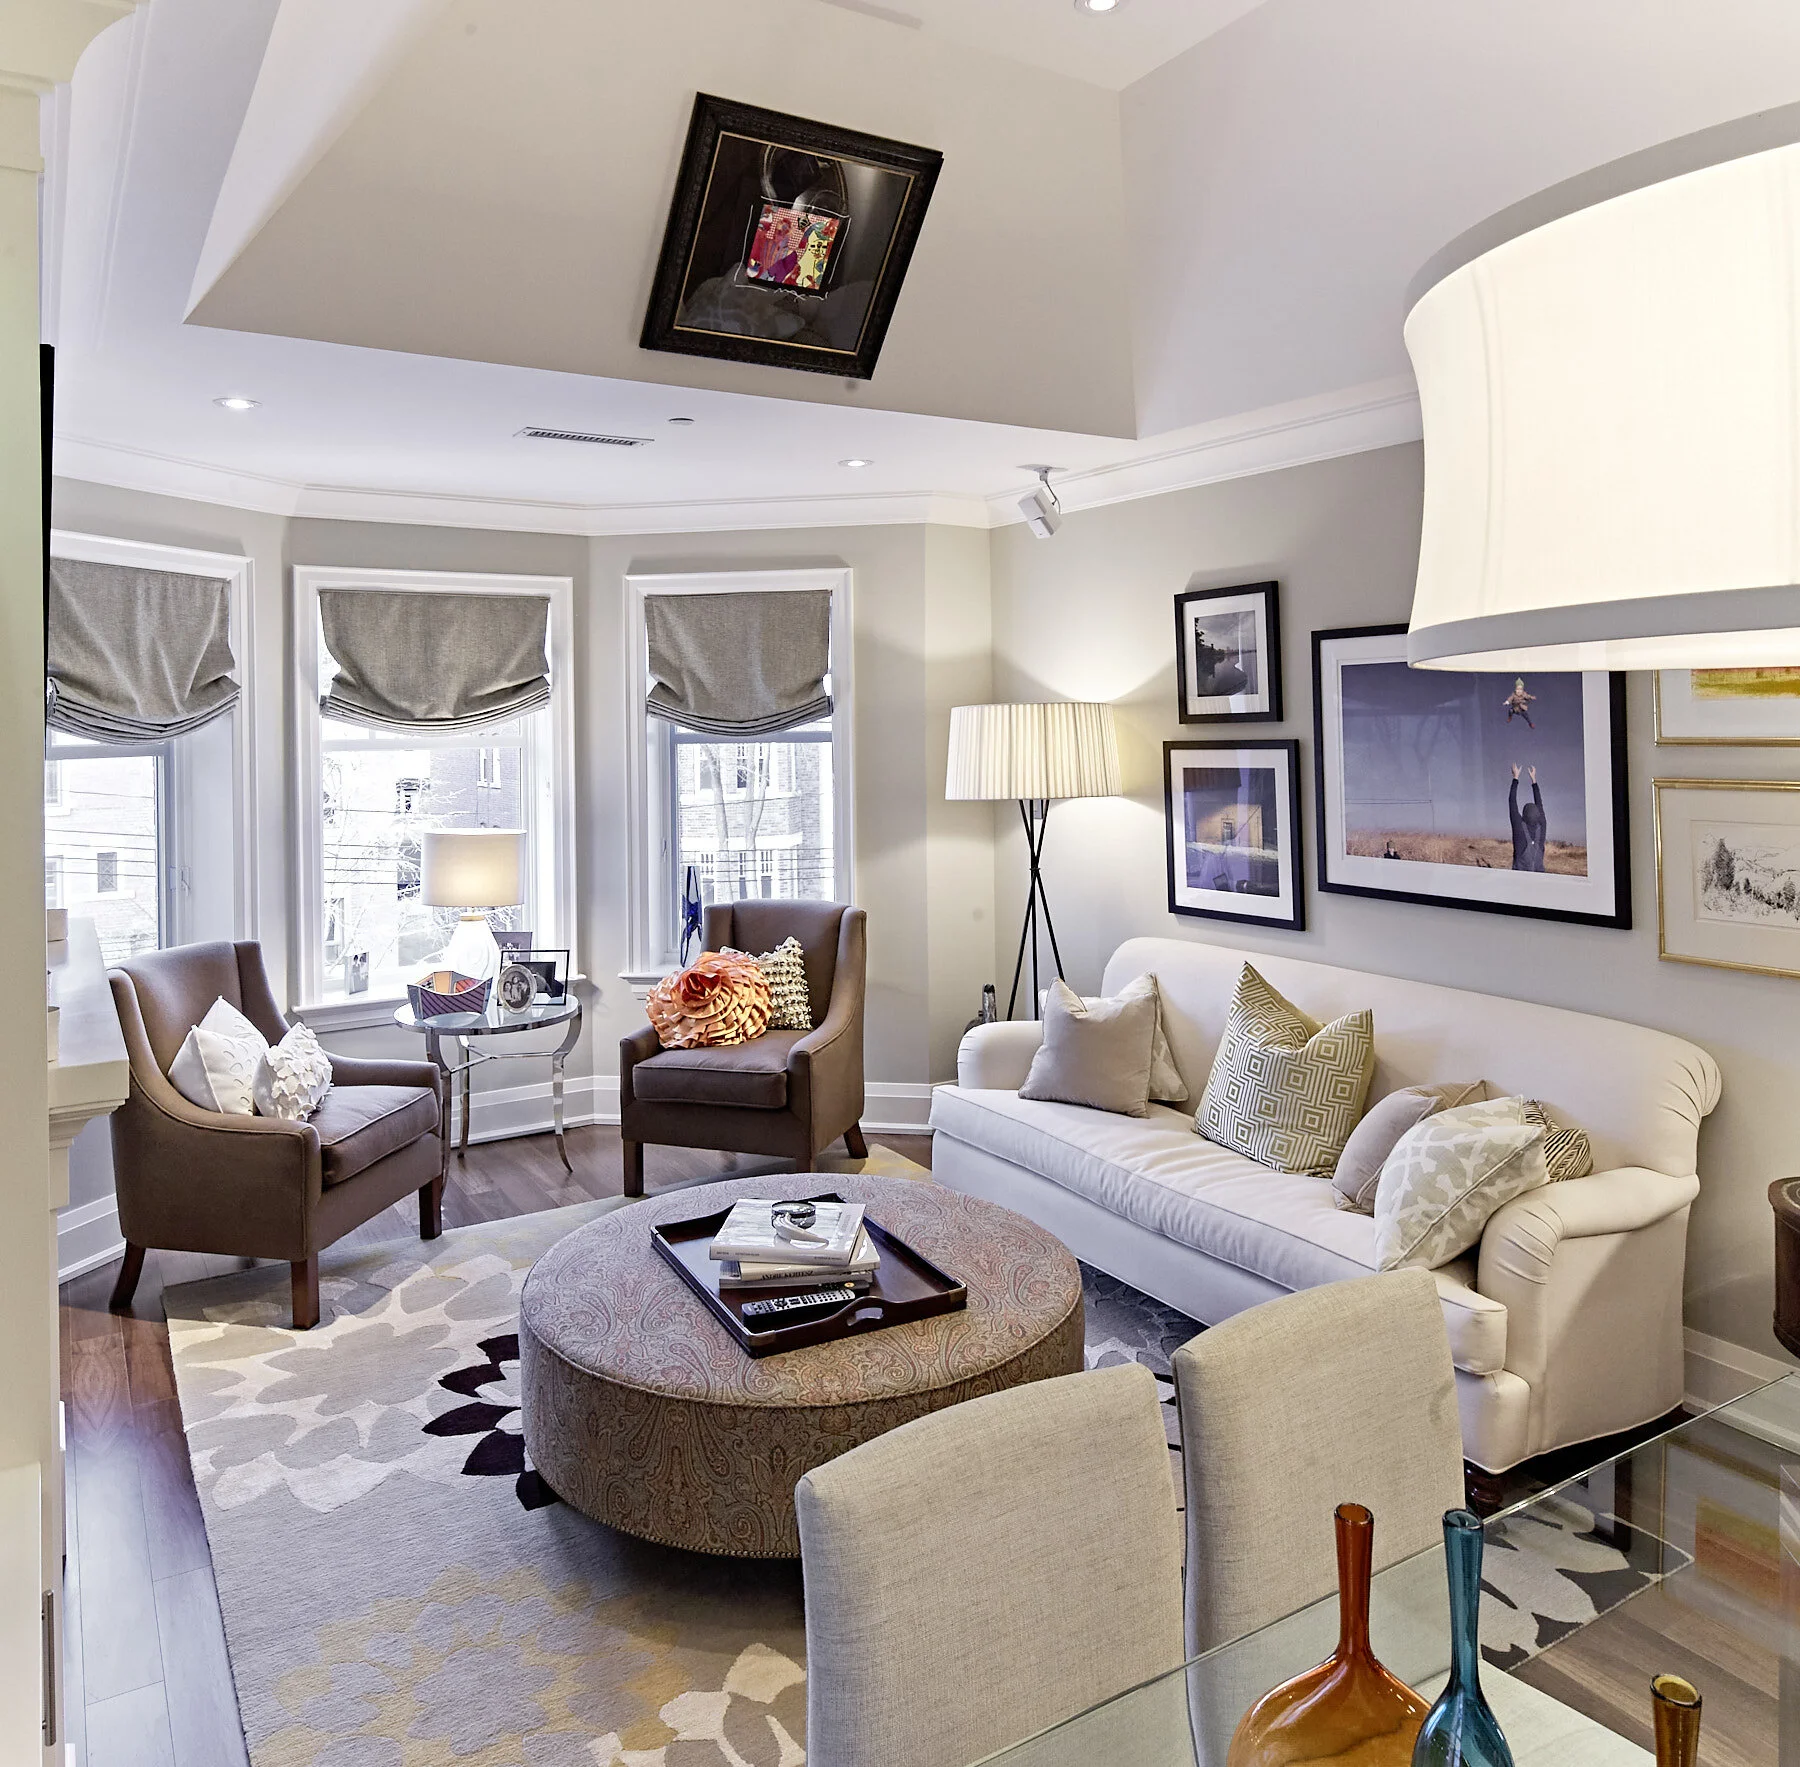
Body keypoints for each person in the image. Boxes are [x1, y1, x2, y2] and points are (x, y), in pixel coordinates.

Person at [1510, 764, 1546, 871]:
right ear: (1538, 814)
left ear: (1523, 815)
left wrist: (1515, 778)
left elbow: (1512, 802)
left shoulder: (1519, 827)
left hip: (1520, 877)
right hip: (1540, 876)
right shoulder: (1542, 825)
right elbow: (1539, 803)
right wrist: (1534, 780)